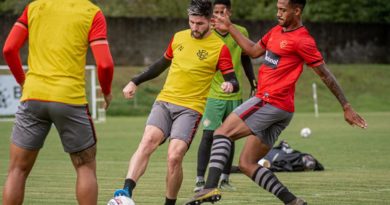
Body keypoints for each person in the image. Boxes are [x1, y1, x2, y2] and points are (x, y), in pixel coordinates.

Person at [185, 0, 368, 204]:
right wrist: (230, 28)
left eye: (283, 10)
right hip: (282, 109)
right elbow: (253, 51)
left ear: (297, 11)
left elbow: (325, 75)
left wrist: (346, 106)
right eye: (277, 9)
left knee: (221, 133)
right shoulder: (275, 31)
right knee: (247, 164)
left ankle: (209, 188)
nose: (278, 13)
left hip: (269, 101)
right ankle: (292, 201)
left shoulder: (302, 40)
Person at [113, 0, 239, 204]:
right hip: (164, 101)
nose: (194, 28)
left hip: (190, 109)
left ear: (210, 21)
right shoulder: (178, 38)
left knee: (174, 156)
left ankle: (169, 202)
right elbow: (160, 65)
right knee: (147, 142)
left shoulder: (219, 48)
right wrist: (135, 81)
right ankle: (126, 192)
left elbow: (233, 80)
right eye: (191, 22)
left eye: (199, 23)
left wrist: (229, 86)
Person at [2, 0, 114, 204]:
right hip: (69, 99)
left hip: (33, 96)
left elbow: (9, 49)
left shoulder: (34, 7)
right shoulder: (91, 12)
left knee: (17, 170)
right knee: (85, 167)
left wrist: (23, 81)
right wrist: (106, 91)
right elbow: (105, 64)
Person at [193, 0, 256, 193]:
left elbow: (246, 57)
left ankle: (225, 179)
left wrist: (253, 81)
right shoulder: (207, 34)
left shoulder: (241, 32)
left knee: (230, 136)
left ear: (229, 12)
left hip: (235, 95)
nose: (218, 16)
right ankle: (200, 180)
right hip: (213, 94)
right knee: (208, 135)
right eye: (215, 12)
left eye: (222, 12)